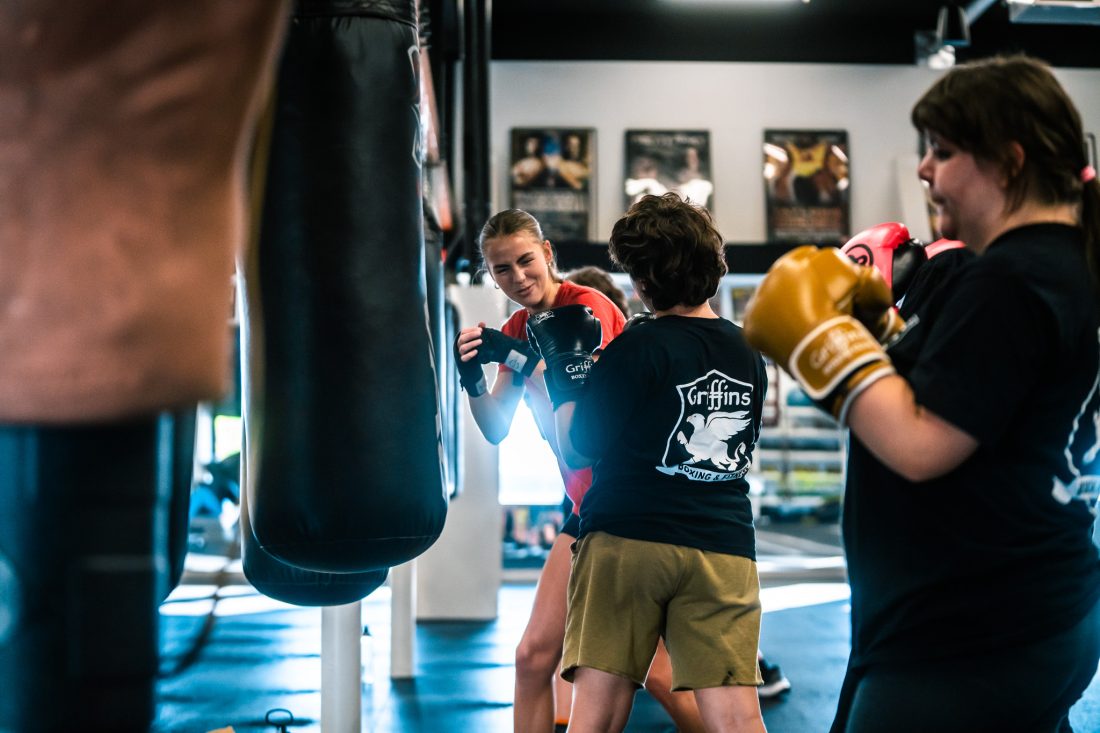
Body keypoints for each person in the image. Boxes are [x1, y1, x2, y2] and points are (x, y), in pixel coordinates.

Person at [743, 55, 1100, 733]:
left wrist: (818, 341)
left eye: (943, 150)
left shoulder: (1010, 280)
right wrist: (886, 338)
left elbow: (920, 445)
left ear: (1009, 160)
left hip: (968, 635)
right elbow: (986, 404)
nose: (924, 169)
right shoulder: (1060, 266)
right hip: (1027, 609)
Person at [454, 210, 706, 733]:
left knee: (657, 673)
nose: (518, 277)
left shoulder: (589, 306)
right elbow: (496, 427)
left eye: (526, 260)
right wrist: (472, 378)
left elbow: (591, 413)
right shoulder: (516, 329)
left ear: (547, 253)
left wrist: (518, 358)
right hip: (584, 509)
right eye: (502, 269)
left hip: (629, 504)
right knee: (532, 658)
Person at [532, 192, 769, 733]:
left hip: (627, 541)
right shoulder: (747, 352)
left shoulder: (637, 347)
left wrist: (564, 375)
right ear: (713, 263)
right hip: (723, 545)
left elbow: (578, 448)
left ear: (641, 281)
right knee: (737, 719)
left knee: (596, 716)